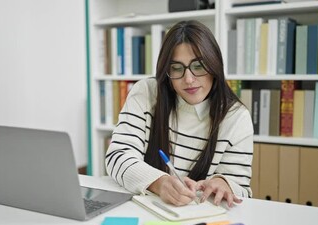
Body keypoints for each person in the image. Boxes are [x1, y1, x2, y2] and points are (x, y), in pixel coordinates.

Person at [105, 20, 253, 208]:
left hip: (203, 221)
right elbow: (117, 156)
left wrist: (225, 184)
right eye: (176, 68)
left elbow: (241, 190)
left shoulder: (236, 117)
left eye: (198, 66)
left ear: (214, 66)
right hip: (142, 210)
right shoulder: (147, 93)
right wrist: (160, 183)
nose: (189, 79)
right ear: (166, 71)